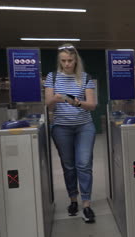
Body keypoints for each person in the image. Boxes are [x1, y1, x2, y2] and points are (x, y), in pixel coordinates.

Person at [44, 43, 97, 223]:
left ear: (76, 60)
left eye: (70, 60)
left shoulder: (85, 77)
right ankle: (73, 200)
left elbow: (92, 105)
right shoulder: (51, 78)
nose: (67, 64)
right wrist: (55, 99)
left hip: (84, 127)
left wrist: (76, 102)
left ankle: (87, 204)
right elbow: (48, 105)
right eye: (63, 61)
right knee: (69, 166)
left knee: (84, 164)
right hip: (61, 128)